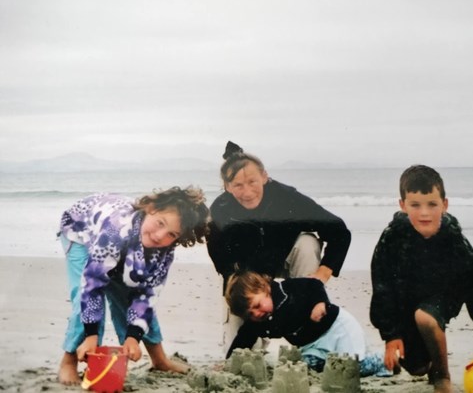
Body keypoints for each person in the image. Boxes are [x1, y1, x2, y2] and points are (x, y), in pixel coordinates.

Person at [369, 165, 473, 393]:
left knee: (425, 317)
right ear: (403, 205)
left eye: (432, 204)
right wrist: (391, 336)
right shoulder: (392, 238)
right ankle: (431, 366)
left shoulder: (454, 240)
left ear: (444, 204)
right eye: (415, 205)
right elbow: (382, 287)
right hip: (407, 302)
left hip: (445, 297)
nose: (425, 213)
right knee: (416, 367)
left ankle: (442, 376)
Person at [57, 186, 210, 385]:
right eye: (160, 223)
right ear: (150, 208)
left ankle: (159, 359)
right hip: (80, 229)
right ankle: (68, 361)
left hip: (123, 245)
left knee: (130, 291)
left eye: (171, 234)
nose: (159, 236)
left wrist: (133, 338)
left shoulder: (163, 251)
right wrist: (91, 335)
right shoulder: (114, 230)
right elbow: (92, 285)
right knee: (85, 295)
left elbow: (147, 296)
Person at [207, 141, 352, 351]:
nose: (247, 192)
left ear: (264, 177)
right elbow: (222, 262)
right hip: (248, 273)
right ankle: (254, 344)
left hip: (287, 257)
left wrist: (323, 272)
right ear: (227, 187)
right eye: (238, 185)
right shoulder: (220, 211)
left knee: (307, 242)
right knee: (242, 353)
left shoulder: (287, 199)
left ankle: (308, 317)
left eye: (252, 182)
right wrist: (245, 289)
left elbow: (339, 231)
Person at [225, 270, 392, 377]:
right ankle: (328, 361)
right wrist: (230, 362)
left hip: (337, 329)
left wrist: (319, 303)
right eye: (251, 314)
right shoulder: (259, 322)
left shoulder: (287, 289)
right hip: (313, 345)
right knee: (306, 368)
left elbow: (314, 284)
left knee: (351, 368)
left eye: (257, 305)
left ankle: (383, 360)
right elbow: (244, 338)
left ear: (264, 288)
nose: (257, 314)